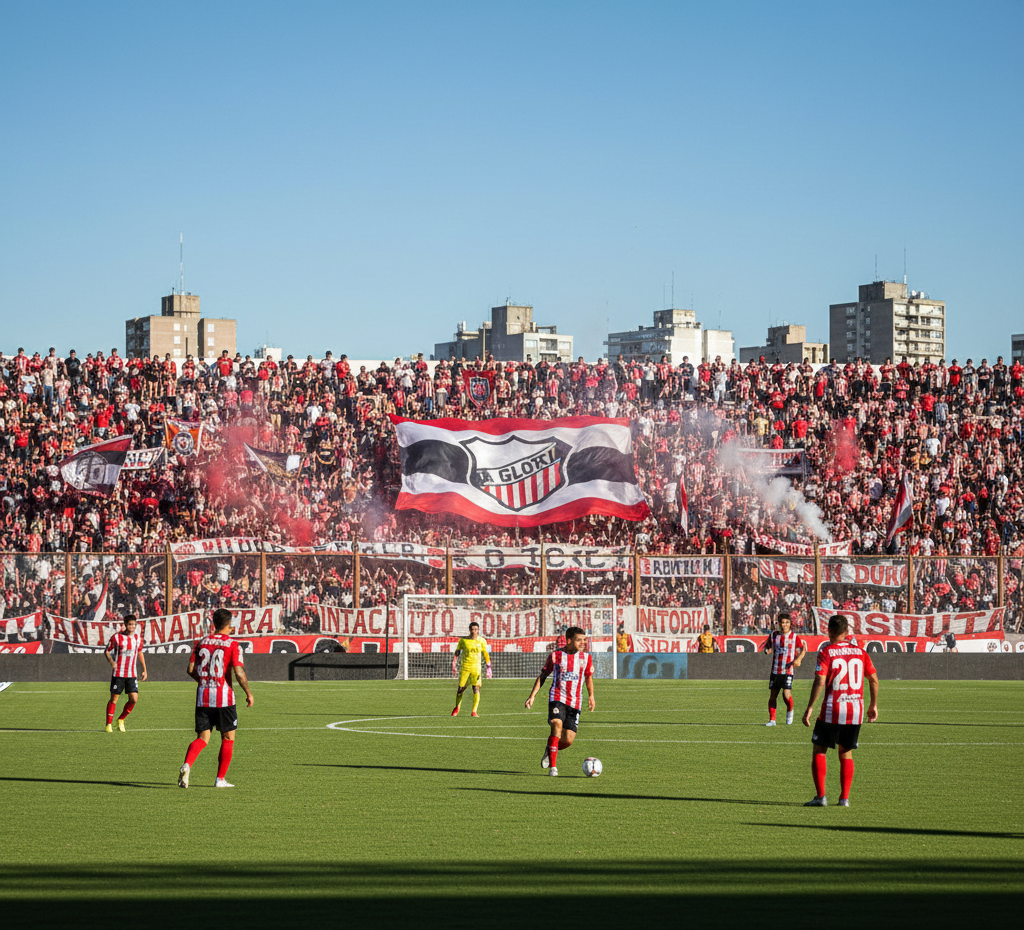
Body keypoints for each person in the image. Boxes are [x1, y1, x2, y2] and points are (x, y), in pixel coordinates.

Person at [802, 614, 879, 807]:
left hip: (832, 708)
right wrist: (873, 705)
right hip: (855, 710)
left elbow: (820, 680)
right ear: (847, 632)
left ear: (829, 631)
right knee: (846, 753)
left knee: (819, 749)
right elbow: (874, 680)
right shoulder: (860, 652)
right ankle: (844, 799)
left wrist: (810, 707)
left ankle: (821, 797)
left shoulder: (826, 652)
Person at [178, 607, 254, 789]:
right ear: (229, 624)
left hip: (203, 696)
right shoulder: (233, 644)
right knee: (228, 738)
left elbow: (190, 669)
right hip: (224, 698)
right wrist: (248, 693)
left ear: (214, 623)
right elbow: (239, 673)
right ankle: (220, 779)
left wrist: (204, 681)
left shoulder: (202, 642)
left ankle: (187, 764)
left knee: (203, 738)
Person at [524, 626, 594, 777]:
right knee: (556, 724)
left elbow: (588, 677)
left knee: (568, 740)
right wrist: (532, 695)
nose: (583, 643)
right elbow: (543, 675)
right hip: (557, 697)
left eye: (584, 640)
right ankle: (553, 768)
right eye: (579, 640)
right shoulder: (556, 656)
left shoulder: (586, 658)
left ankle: (550, 749)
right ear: (569, 641)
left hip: (575, 701)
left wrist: (591, 696)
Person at [103, 614, 147, 732]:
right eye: (129, 624)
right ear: (125, 625)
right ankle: (108, 725)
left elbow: (140, 653)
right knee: (114, 699)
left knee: (134, 699)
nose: (132, 626)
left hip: (132, 674)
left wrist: (144, 669)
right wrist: (112, 662)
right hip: (119, 673)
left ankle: (121, 719)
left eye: (133, 624)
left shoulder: (137, 638)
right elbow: (107, 651)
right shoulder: (117, 637)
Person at [762, 612, 806, 726]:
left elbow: (803, 649)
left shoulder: (794, 637)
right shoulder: (773, 635)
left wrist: (799, 659)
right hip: (775, 670)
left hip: (788, 671)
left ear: (790, 624)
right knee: (773, 696)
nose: (784, 625)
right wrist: (767, 650)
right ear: (779, 623)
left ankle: (790, 710)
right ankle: (772, 720)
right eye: (782, 622)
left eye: (787, 622)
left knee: (786, 694)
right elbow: (768, 646)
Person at [451, 621, 491, 717]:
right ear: (469, 630)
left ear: (478, 630)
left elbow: (485, 654)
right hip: (465, 668)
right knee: (460, 689)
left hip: (476, 668)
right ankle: (457, 708)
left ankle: (474, 711)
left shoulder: (482, 641)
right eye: (472, 629)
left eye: (476, 629)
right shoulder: (463, 640)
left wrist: (489, 667)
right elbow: (457, 652)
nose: (474, 631)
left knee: (476, 689)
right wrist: (454, 663)